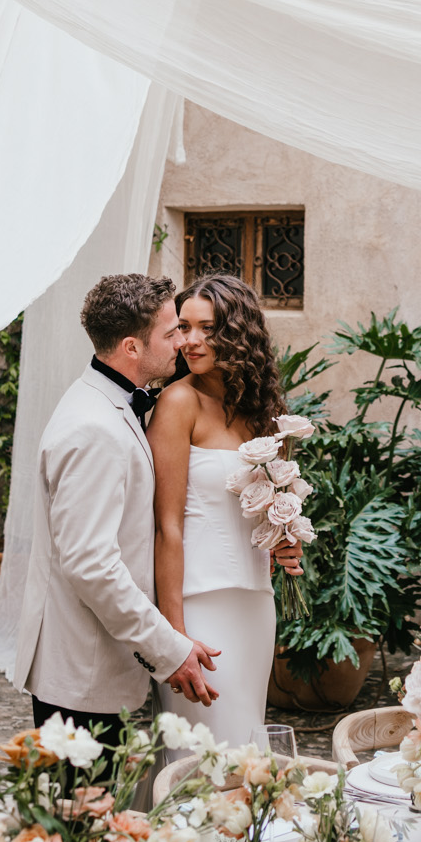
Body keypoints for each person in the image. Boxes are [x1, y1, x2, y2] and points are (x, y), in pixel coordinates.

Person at [14, 272, 219, 749]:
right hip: (83, 675)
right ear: (131, 347)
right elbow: (91, 565)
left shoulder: (109, 402)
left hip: (94, 667)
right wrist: (168, 649)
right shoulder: (94, 429)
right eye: (171, 333)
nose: (182, 343)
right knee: (82, 817)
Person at [149, 272, 304, 746]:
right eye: (184, 327)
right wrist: (174, 639)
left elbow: (263, 505)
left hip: (255, 601)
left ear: (239, 333)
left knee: (246, 751)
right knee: (207, 757)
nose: (191, 341)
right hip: (199, 603)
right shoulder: (179, 402)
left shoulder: (258, 409)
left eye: (208, 328)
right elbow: (166, 527)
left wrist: (285, 540)